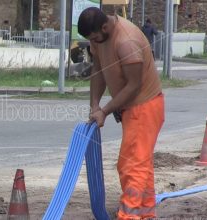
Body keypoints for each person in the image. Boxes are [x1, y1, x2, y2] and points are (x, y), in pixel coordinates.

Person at [78, 7, 164, 219]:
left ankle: (129, 216)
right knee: (141, 163)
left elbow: (133, 86)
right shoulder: (98, 39)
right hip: (131, 108)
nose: (93, 42)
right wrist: (94, 106)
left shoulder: (127, 41)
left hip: (144, 107)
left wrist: (106, 111)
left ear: (105, 27)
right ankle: (145, 214)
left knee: (131, 165)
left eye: (95, 37)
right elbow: (98, 71)